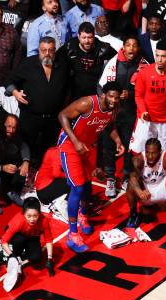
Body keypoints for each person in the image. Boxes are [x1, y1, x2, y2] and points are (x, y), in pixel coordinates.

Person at [57, 82, 124, 253]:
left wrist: (117, 140)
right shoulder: (87, 103)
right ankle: (72, 235)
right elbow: (62, 115)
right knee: (78, 188)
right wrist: (75, 141)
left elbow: (108, 125)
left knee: (87, 184)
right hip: (70, 146)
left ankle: (83, 215)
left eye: (117, 97)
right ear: (103, 95)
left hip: (88, 147)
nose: (114, 100)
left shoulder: (114, 108)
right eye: (111, 96)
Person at [6, 36, 70, 166]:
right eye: (43, 50)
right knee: (28, 151)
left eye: (51, 50)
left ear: (55, 50)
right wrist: (15, 93)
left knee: (50, 151)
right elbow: (9, 81)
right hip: (30, 118)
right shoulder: (27, 64)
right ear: (38, 50)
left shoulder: (63, 65)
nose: (47, 54)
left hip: (53, 120)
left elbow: (69, 88)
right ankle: (27, 179)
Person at [99, 35, 149, 197]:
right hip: (111, 114)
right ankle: (111, 179)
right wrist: (109, 100)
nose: (131, 49)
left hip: (131, 114)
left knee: (129, 147)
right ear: (123, 47)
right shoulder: (113, 63)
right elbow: (100, 87)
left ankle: (127, 176)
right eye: (128, 45)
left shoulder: (145, 65)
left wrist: (132, 94)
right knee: (109, 146)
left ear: (138, 49)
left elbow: (149, 91)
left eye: (134, 45)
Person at [0, 198, 55, 288]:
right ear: (23, 213)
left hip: (32, 236)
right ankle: (17, 255)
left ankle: (22, 259)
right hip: (18, 235)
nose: (32, 219)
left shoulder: (44, 221)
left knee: (37, 258)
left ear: (39, 214)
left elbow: (48, 239)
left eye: (35, 216)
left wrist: (49, 258)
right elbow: (3, 241)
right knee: (19, 240)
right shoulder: (18, 221)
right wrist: (11, 255)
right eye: (28, 216)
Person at [60, 22, 117, 98]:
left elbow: (119, 58)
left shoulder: (104, 48)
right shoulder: (69, 46)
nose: (87, 41)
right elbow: (56, 59)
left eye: (90, 37)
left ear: (94, 36)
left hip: (96, 93)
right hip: (75, 94)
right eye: (84, 37)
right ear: (78, 37)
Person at [0, 114, 31, 211]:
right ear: (3, 124)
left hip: (10, 172)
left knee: (23, 165)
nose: (11, 130)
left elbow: (24, 146)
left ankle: (12, 192)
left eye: (14, 128)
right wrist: (2, 167)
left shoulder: (16, 135)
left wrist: (26, 161)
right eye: (9, 126)